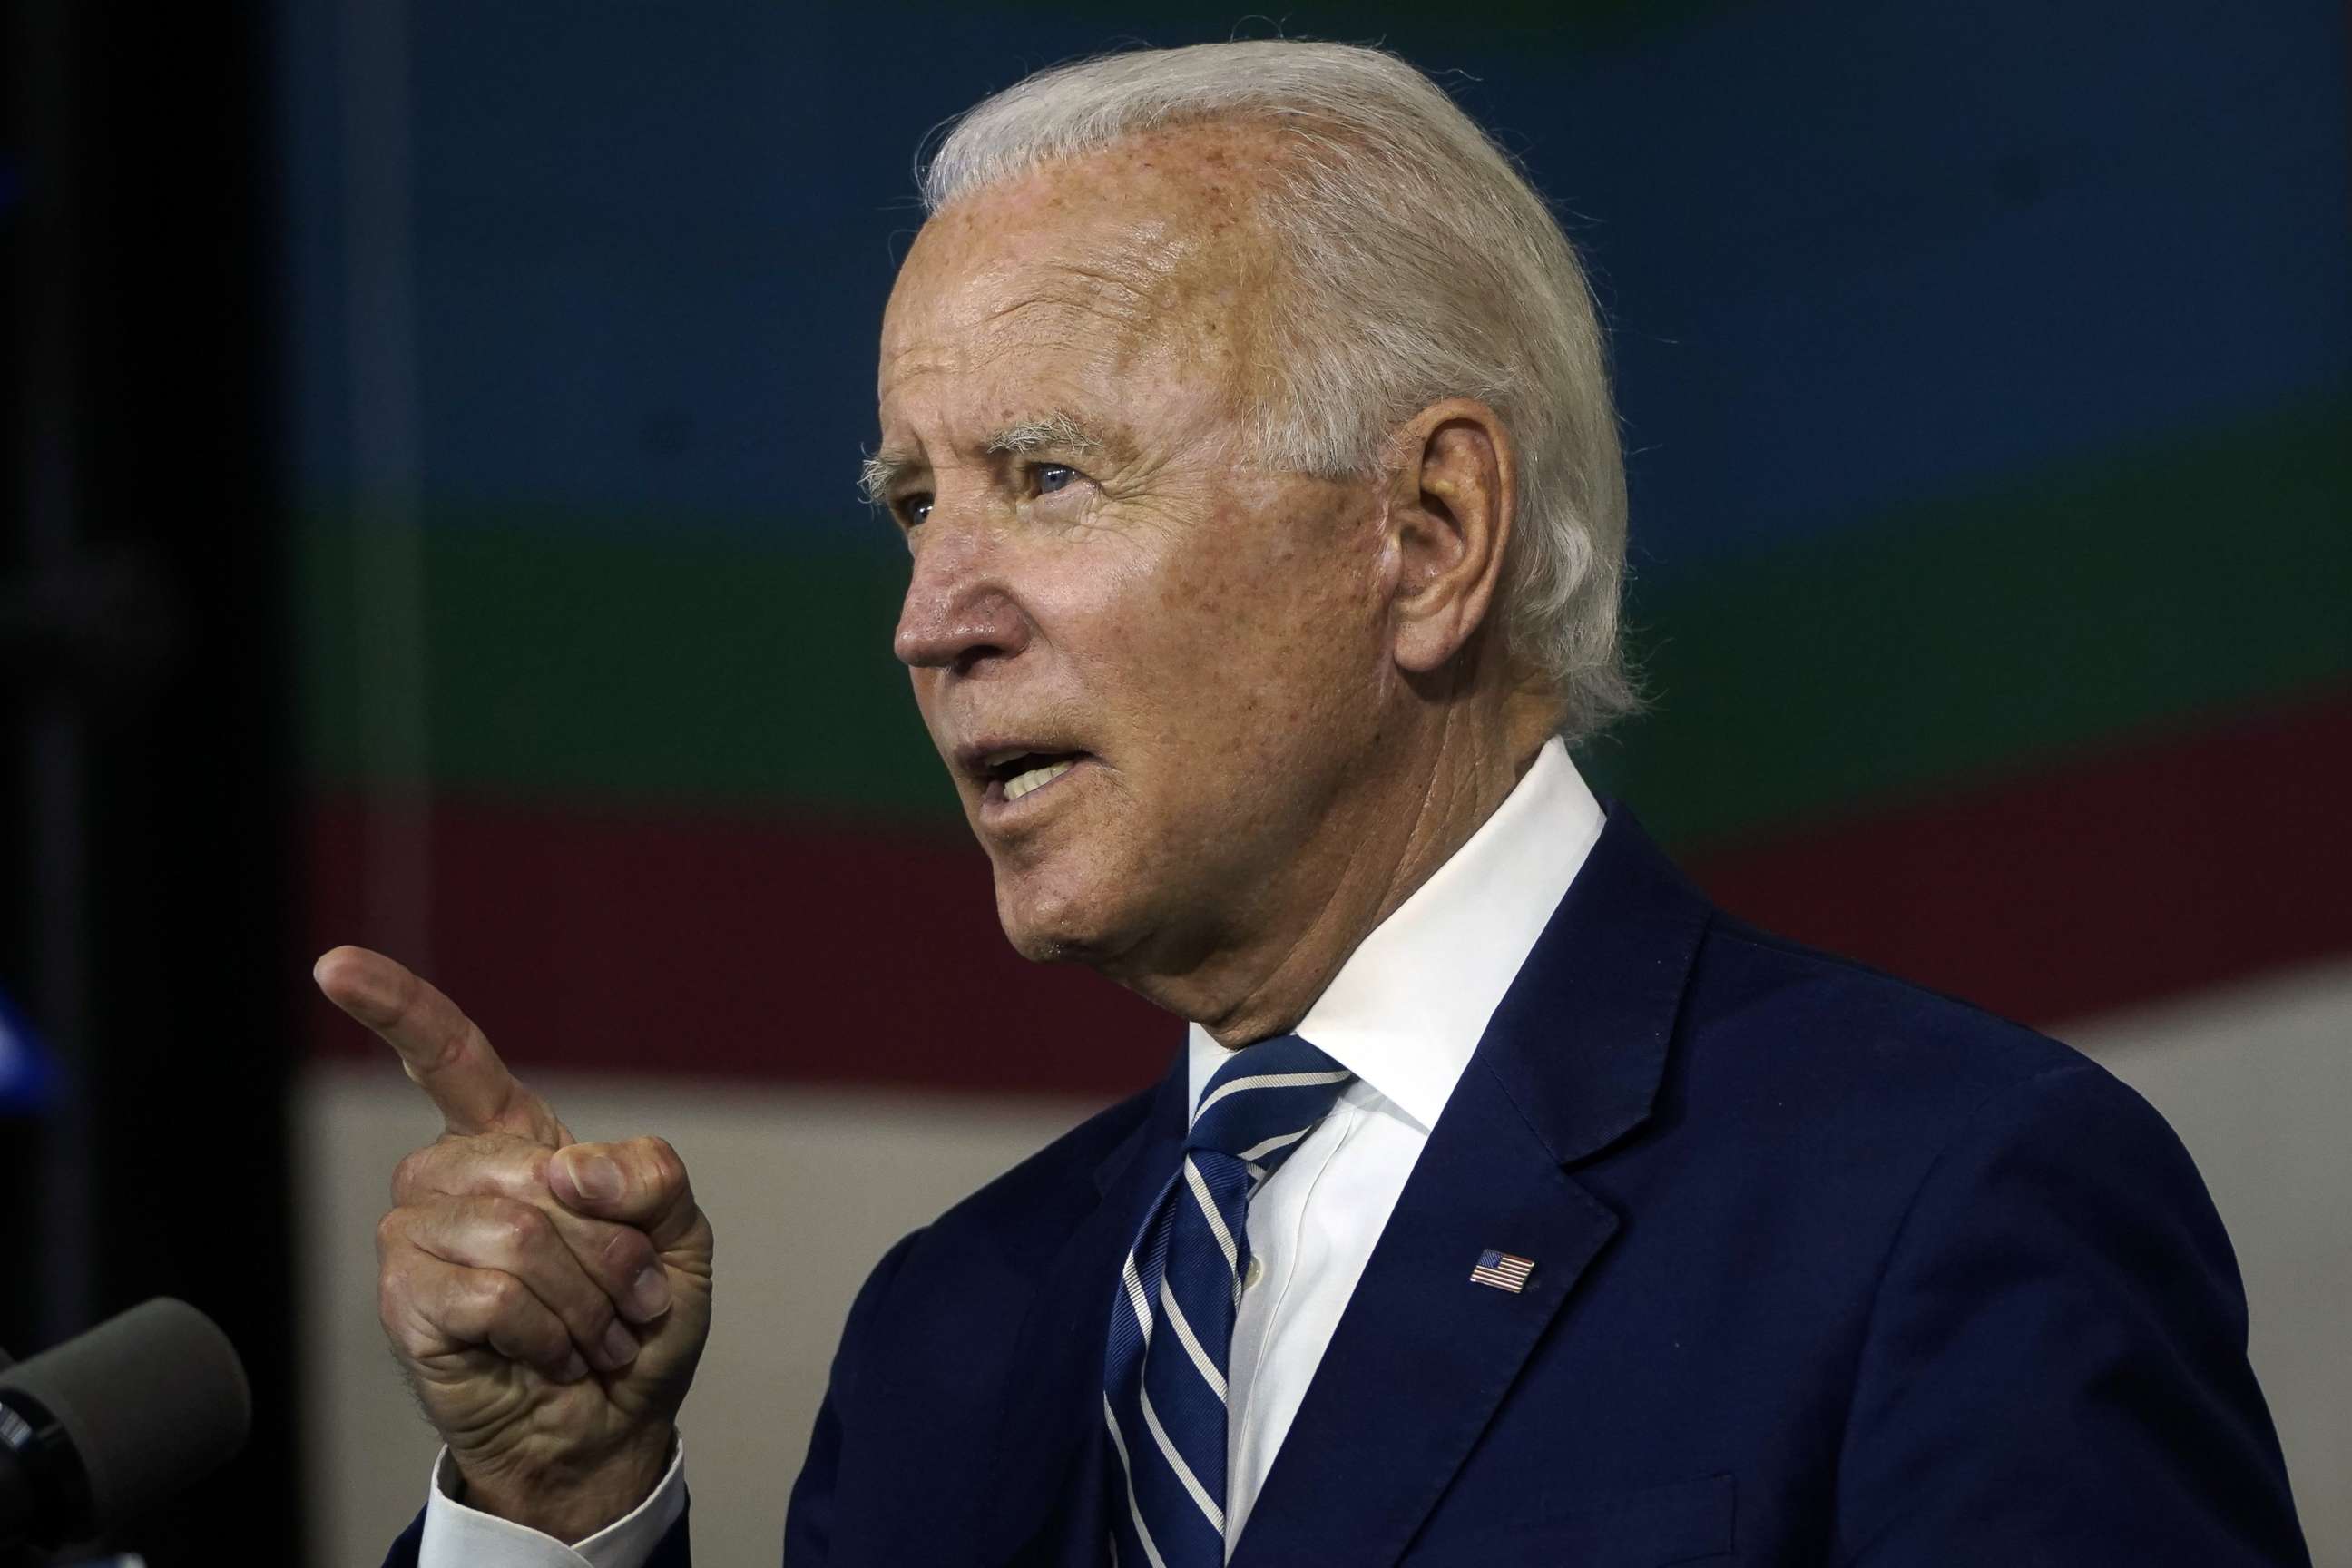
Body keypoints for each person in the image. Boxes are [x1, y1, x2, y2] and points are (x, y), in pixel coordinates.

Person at [325, 39, 2312, 1568]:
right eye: (913, 507)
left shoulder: (1942, 1199)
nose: (933, 619)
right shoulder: (960, 1329)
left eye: (1046, 477)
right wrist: (554, 1496)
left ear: (1431, 533)